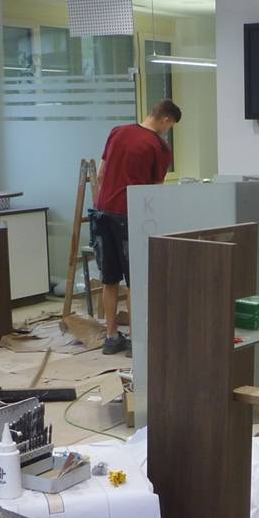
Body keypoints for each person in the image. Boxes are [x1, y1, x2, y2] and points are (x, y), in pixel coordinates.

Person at [93, 99, 181, 355]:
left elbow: (101, 175)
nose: (168, 131)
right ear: (166, 119)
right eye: (171, 126)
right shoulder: (158, 147)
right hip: (130, 216)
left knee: (109, 279)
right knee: (136, 281)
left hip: (103, 214)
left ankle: (111, 337)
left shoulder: (117, 132)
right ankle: (136, 341)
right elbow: (155, 192)